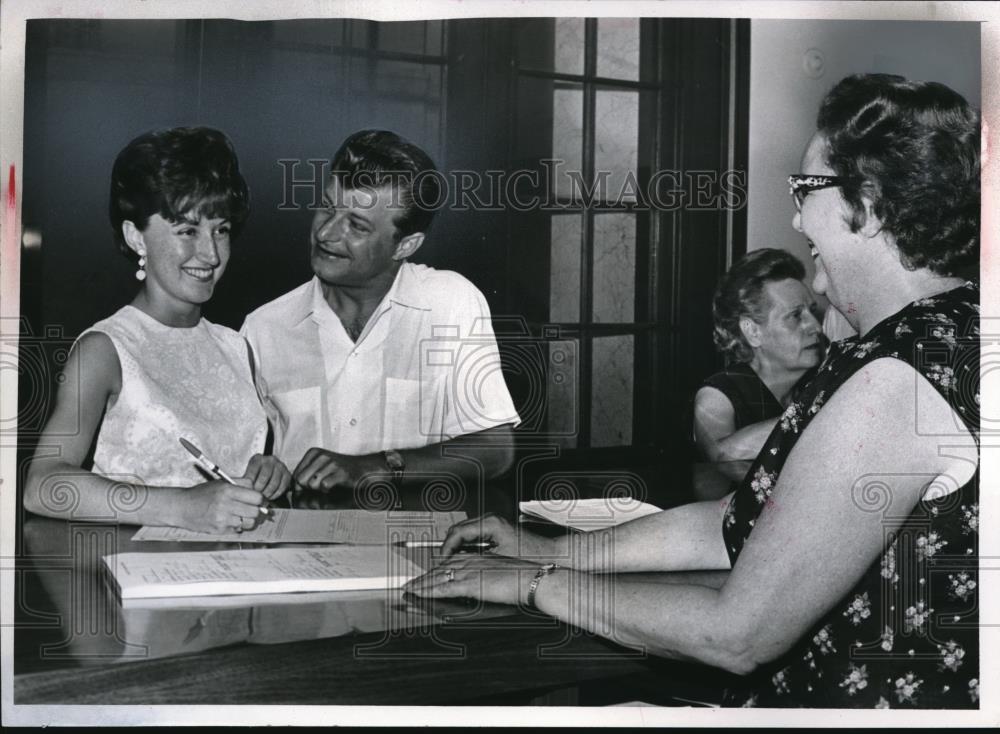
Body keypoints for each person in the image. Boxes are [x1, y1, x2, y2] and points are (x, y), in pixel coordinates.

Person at [407, 73, 980, 709]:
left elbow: (737, 635)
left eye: (805, 189)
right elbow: (737, 524)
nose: (794, 215)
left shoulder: (893, 379)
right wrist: (555, 549)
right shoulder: (945, 333)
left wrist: (535, 582)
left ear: (867, 205)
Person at [24, 127, 290, 533]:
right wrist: (183, 507)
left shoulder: (237, 346)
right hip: (136, 573)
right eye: (187, 230)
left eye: (221, 229)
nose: (211, 253)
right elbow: (43, 484)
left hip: (235, 573)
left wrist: (264, 473)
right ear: (136, 236)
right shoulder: (105, 349)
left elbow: (229, 473)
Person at [242, 130, 519, 496]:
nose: (325, 233)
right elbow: (235, 459)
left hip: (414, 542)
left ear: (405, 245)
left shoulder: (450, 303)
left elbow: (496, 450)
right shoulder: (263, 327)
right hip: (296, 547)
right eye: (327, 207)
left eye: (356, 225)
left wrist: (373, 467)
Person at [694, 248, 824, 482]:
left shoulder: (814, 383)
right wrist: (817, 415)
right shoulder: (717, 394)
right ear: (753, 332)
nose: (816, 326)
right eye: (795, 315)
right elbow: (721, 455)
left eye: (812, 312)